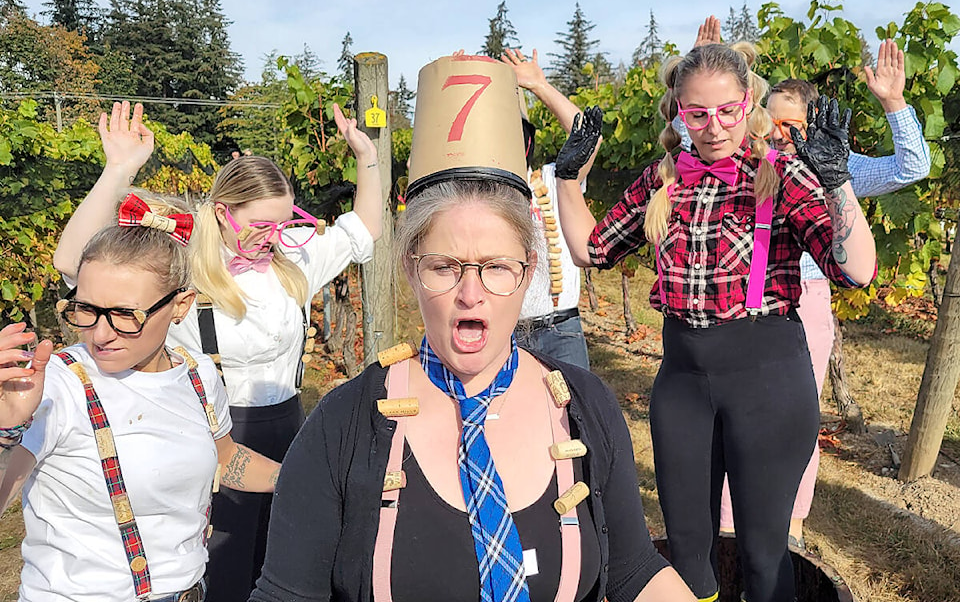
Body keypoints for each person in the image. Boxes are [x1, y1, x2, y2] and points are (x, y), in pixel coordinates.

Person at [250, 54, 695, 602]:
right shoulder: (341, 429)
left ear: (527, 270)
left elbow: (633, 571)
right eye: (444, 267)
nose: (470, 293)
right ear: (412, 268)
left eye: (497, 267)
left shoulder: (586, 409)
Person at [556, 43, 876, 602]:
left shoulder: (779, 173)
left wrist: (838, 180)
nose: (714, 127)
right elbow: (591, 249)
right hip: (683, 381)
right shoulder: (663, 179)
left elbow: (856, 269)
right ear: (678, 110)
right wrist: (566, 177)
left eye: (727, 110)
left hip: (768, 380)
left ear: (747, 100)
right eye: (697, 114)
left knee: (761, 550)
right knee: (687, 549)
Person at [53, 100, 383, 602]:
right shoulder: (183, 262)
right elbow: (75, 264)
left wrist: (367, 155)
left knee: (289, 561)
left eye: (282, 224)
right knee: (223, 563)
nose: (273, 239)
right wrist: (117, 170)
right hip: (209, 431)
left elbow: (365, 230)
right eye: (260, 226)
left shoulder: (290, 260)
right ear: (224, 213)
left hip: (291, 426)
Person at [0, 193, 280, 601]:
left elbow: (226, 458)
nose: (100, 333)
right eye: (86, 310)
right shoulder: (58, 385)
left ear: (181, 305)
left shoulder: (198, 374)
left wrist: (305, 479)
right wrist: (7, 428)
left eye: (126, 314)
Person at [714, 39, 932, 547]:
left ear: (814, 125)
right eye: (772, 123)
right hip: (742, 300)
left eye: (793, 126)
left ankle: (790, 524)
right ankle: (727, 525)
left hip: (806, 299)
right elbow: (686, 140)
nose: (782, 136)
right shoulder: (749, 161)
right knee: (730, 411)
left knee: (797, 416)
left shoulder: (838, 168)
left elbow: (912, 168)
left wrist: (894, 103)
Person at [501, 48, 599, 370]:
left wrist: (539, 86)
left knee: (574, 417)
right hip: (505, 334)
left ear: (527, 141)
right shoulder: (480, 195)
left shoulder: (554, 179)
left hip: (562, 332)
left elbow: (589, 137)